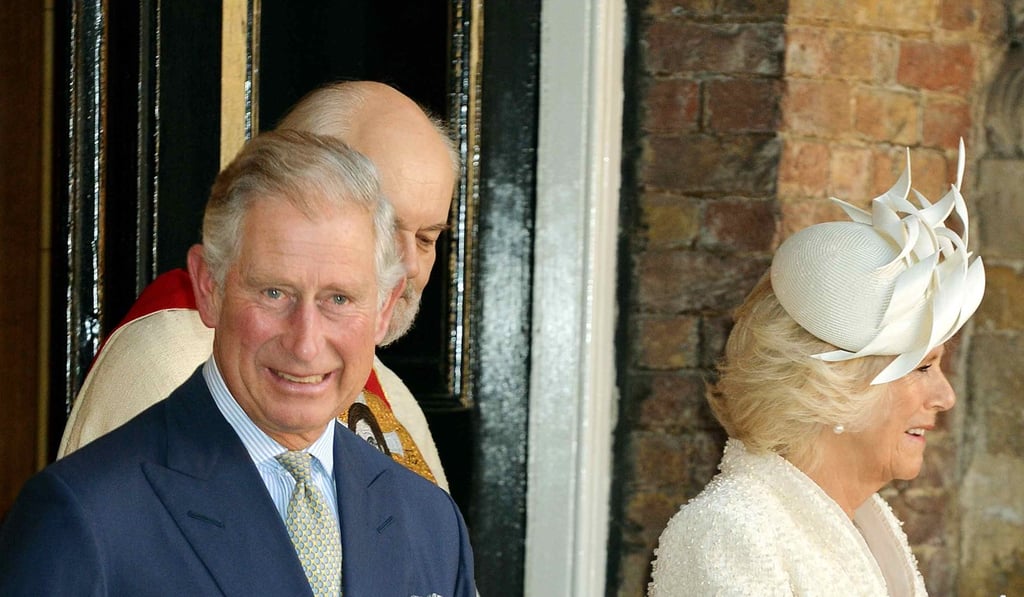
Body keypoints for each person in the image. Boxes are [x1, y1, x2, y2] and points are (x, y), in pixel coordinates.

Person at [0, 130, 476, 596]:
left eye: (339, 298)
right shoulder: (84, 516)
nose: (305, 343)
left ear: (385, 308)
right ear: (209, 287)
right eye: (274, 292)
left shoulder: (431, 525)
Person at [58, 81, 455, 490]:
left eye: (426, 238)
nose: (409, 265)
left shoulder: (391, 394)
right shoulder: (170, 356)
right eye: (385, 229)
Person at [648, 141, 985, 596]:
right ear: (828, 386)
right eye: (923, 367)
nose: (946, 397)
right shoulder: (728, 534)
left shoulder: (867, 519)